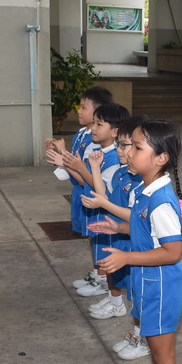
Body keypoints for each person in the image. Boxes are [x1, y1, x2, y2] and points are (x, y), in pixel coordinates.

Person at [89, 119, 182, 364]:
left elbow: (172, 252)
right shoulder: (143, 189)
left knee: (163, 354)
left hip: (161, 288)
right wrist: (118, 228)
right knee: (154, 350)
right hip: (147, 283)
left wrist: (126, 257)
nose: (128, 152)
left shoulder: (161, 201)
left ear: (161, 158)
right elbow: (142, 227)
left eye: (137, 147)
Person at [83, 115, 150, 358]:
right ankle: (136, 332)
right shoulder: (122, 173)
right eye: (119, 145)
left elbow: (134, 216)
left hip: (135, 242)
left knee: (140, 295)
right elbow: (106, 196)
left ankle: (143, 339)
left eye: (127, 145)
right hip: (120, 234)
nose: (121, 150)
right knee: (131, 291)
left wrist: (104, 204)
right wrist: (95, 168)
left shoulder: (142, 181)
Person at [55, 104, 129, 298]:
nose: (93, 128)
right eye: (94, 123)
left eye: (99, 124)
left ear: (114, 131)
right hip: (96, 210)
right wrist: (68, 164)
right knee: (96, 245)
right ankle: (100, 277)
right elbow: (85, 180)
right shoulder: (99, 152)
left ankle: (106, 286)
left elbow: (99, 188)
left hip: (107, 214)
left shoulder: (114, 158)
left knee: (106, 250)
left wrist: (78, 166)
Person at [47, 86, 114, 291]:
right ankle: (97, 273)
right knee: (92, 237)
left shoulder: (96, 143)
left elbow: (86, 177)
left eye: (84, 107)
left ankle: (103, 278)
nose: (79, 111)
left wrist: (65, 159)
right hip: (81, 193)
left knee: (100, 238)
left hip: (92, 194)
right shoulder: (81, 135)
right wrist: (62, 154)